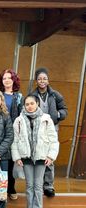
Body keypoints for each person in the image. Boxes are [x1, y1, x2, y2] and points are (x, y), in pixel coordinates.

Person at [11, 95, 59, 208]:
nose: (29, 106)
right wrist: (17, 157)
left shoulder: (46, 119)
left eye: (32, 103)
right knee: (29, 186)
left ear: (37, 104)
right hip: (26, 158)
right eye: (27, 104)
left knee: (38, 186)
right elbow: (15, 140)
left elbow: (53, 139)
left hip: (41, 158)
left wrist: (51, 156)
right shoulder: (19, 120)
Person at [29, 67, 68, 197]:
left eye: (44, 78)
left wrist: (58, 114)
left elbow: (64, 110)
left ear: (48, 80)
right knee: (38, 156)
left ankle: (49, 185)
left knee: (49, 157)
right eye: (39, 79)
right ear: (36, 81)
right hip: (36, 129)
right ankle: (38, 184)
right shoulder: (32, 95)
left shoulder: (55, 95)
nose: (42, 81)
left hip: (52, 128)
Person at [0, 69, 23, 200]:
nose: (6, 80)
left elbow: (21, 116)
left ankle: (11, 187)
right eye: (4, 78)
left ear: (14, 80)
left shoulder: (18, 97)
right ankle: (0, 188)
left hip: (13, 132)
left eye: (9, 78)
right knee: (1, 160)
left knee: (12, 160)